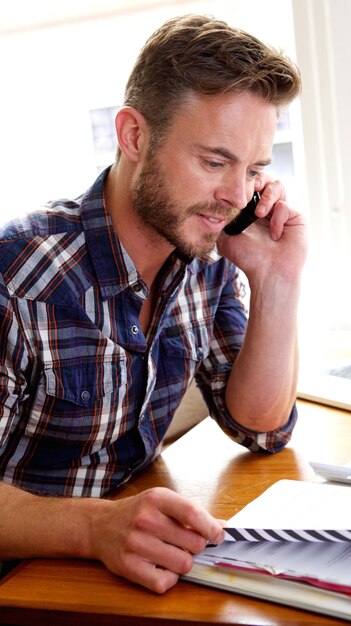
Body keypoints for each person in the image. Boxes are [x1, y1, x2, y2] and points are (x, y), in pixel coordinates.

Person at [0, 14, 307, 593]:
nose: (237, 197)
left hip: (119, 574)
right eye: (215, 162)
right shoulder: (17, 274)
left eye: (256, 169)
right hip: (23, 584)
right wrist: (95, 530)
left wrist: (277, 280)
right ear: (134, 135)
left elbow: (260, 429)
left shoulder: (208, 256)